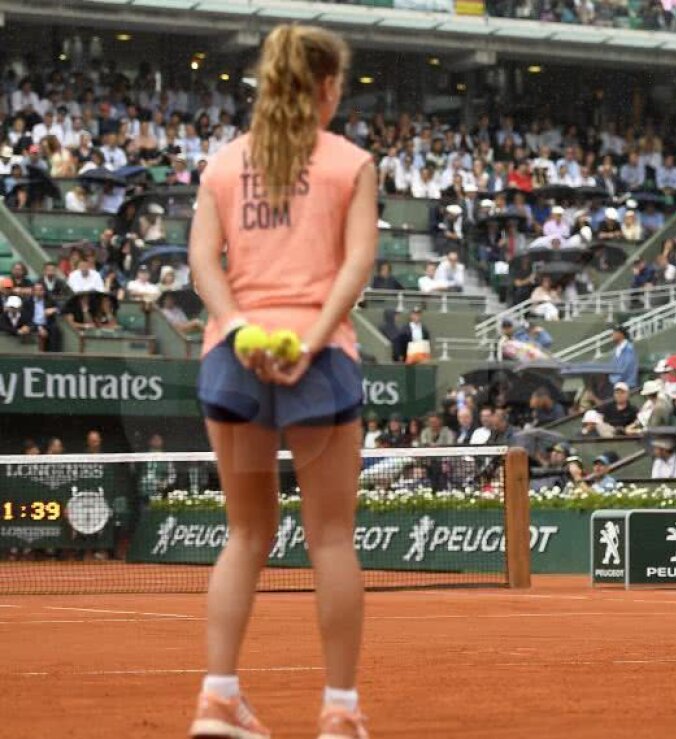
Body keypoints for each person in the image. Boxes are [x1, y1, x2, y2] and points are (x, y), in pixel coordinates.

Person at [187, 25, 374, 736]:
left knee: (244, 531)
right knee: (329, 536)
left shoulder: (223, 163)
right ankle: (339, 712)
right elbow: (355, 266)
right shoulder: (350, 162)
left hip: (233, 363)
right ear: (327, 88)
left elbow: (204, 264)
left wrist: (237, 328)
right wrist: (313, 343)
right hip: (318, 363)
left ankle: (218, 697)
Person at [608, 324, 638, 390]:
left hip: (627, 386)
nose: (612, 334)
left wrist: (613, 381)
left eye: (615, 332)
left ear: (621, 334)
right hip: (617, 384)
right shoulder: (616, 350)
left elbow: (627, 368)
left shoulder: (629, 349)